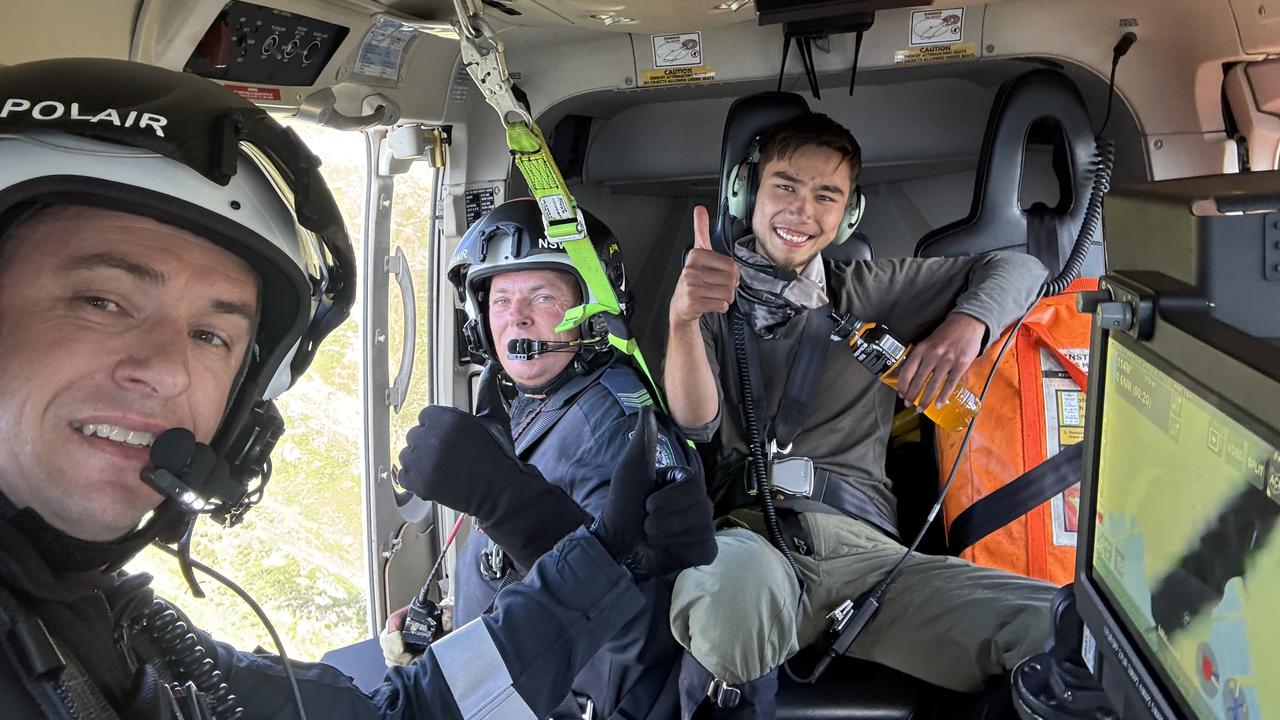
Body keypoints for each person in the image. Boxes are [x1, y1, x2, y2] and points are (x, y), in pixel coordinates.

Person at [0, 57, 715, 719]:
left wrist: (549, 532)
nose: (164, 370)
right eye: (100, 302)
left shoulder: (608, 422)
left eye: (212, 335)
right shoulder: (521, 409)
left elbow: (626, 651)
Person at [662, 111, 1058, 717]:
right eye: (786, 187)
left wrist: (965, 325)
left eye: (826, 195)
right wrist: (684, 320)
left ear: (848, 215)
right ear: (747, 193)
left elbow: (1023, 267)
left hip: (873, 562)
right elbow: (696, 425)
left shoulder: (870, 290)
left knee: (1061, 626)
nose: (802, 211)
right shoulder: (711, 293)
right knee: (727, 594)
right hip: (756, 543)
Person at [385, 199, 703, 719]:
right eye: (501, 298)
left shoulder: (614, 425)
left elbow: (639, 628)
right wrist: (454, 618)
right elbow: (537, 562)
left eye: (542, 296)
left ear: (593, 310)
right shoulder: (536, 403)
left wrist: (505, 502)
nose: (518, 317)